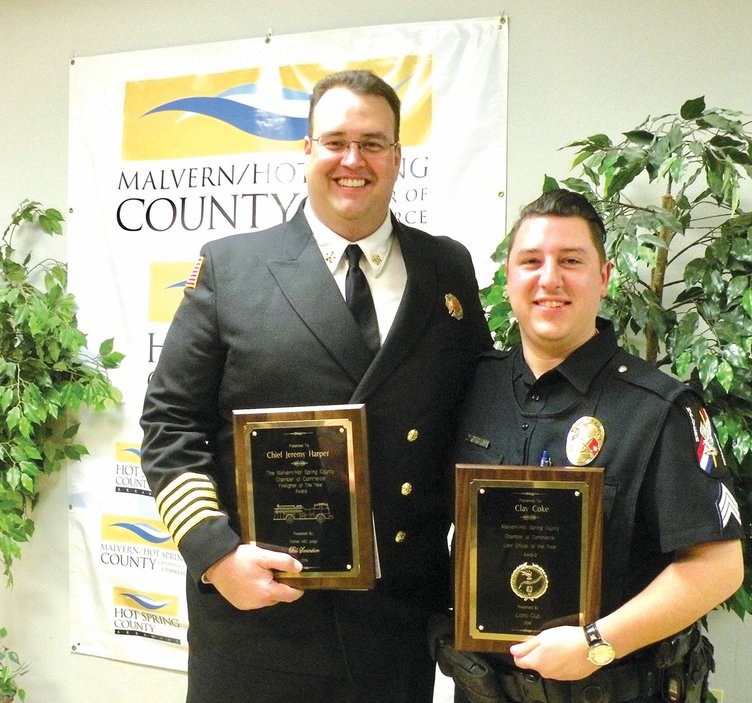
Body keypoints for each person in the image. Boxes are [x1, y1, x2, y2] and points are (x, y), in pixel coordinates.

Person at [139, 69, 492, 703]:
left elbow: (477, 416)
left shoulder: (447, 267)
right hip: (261, 618)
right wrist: (215, 555)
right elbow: (170, 424)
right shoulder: (232, 265)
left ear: (397, 156)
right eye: (335, 141)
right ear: (306, 151)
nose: (352, 160)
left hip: (398, 626)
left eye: (373, 143)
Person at [442, 189, 744, 703]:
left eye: (571, 261)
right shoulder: (468, 388)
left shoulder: (658, 407)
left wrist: (597, 644)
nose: (549, 279)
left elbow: (718, 567)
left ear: (604, 277)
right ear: (509, 278)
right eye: (531, 261)